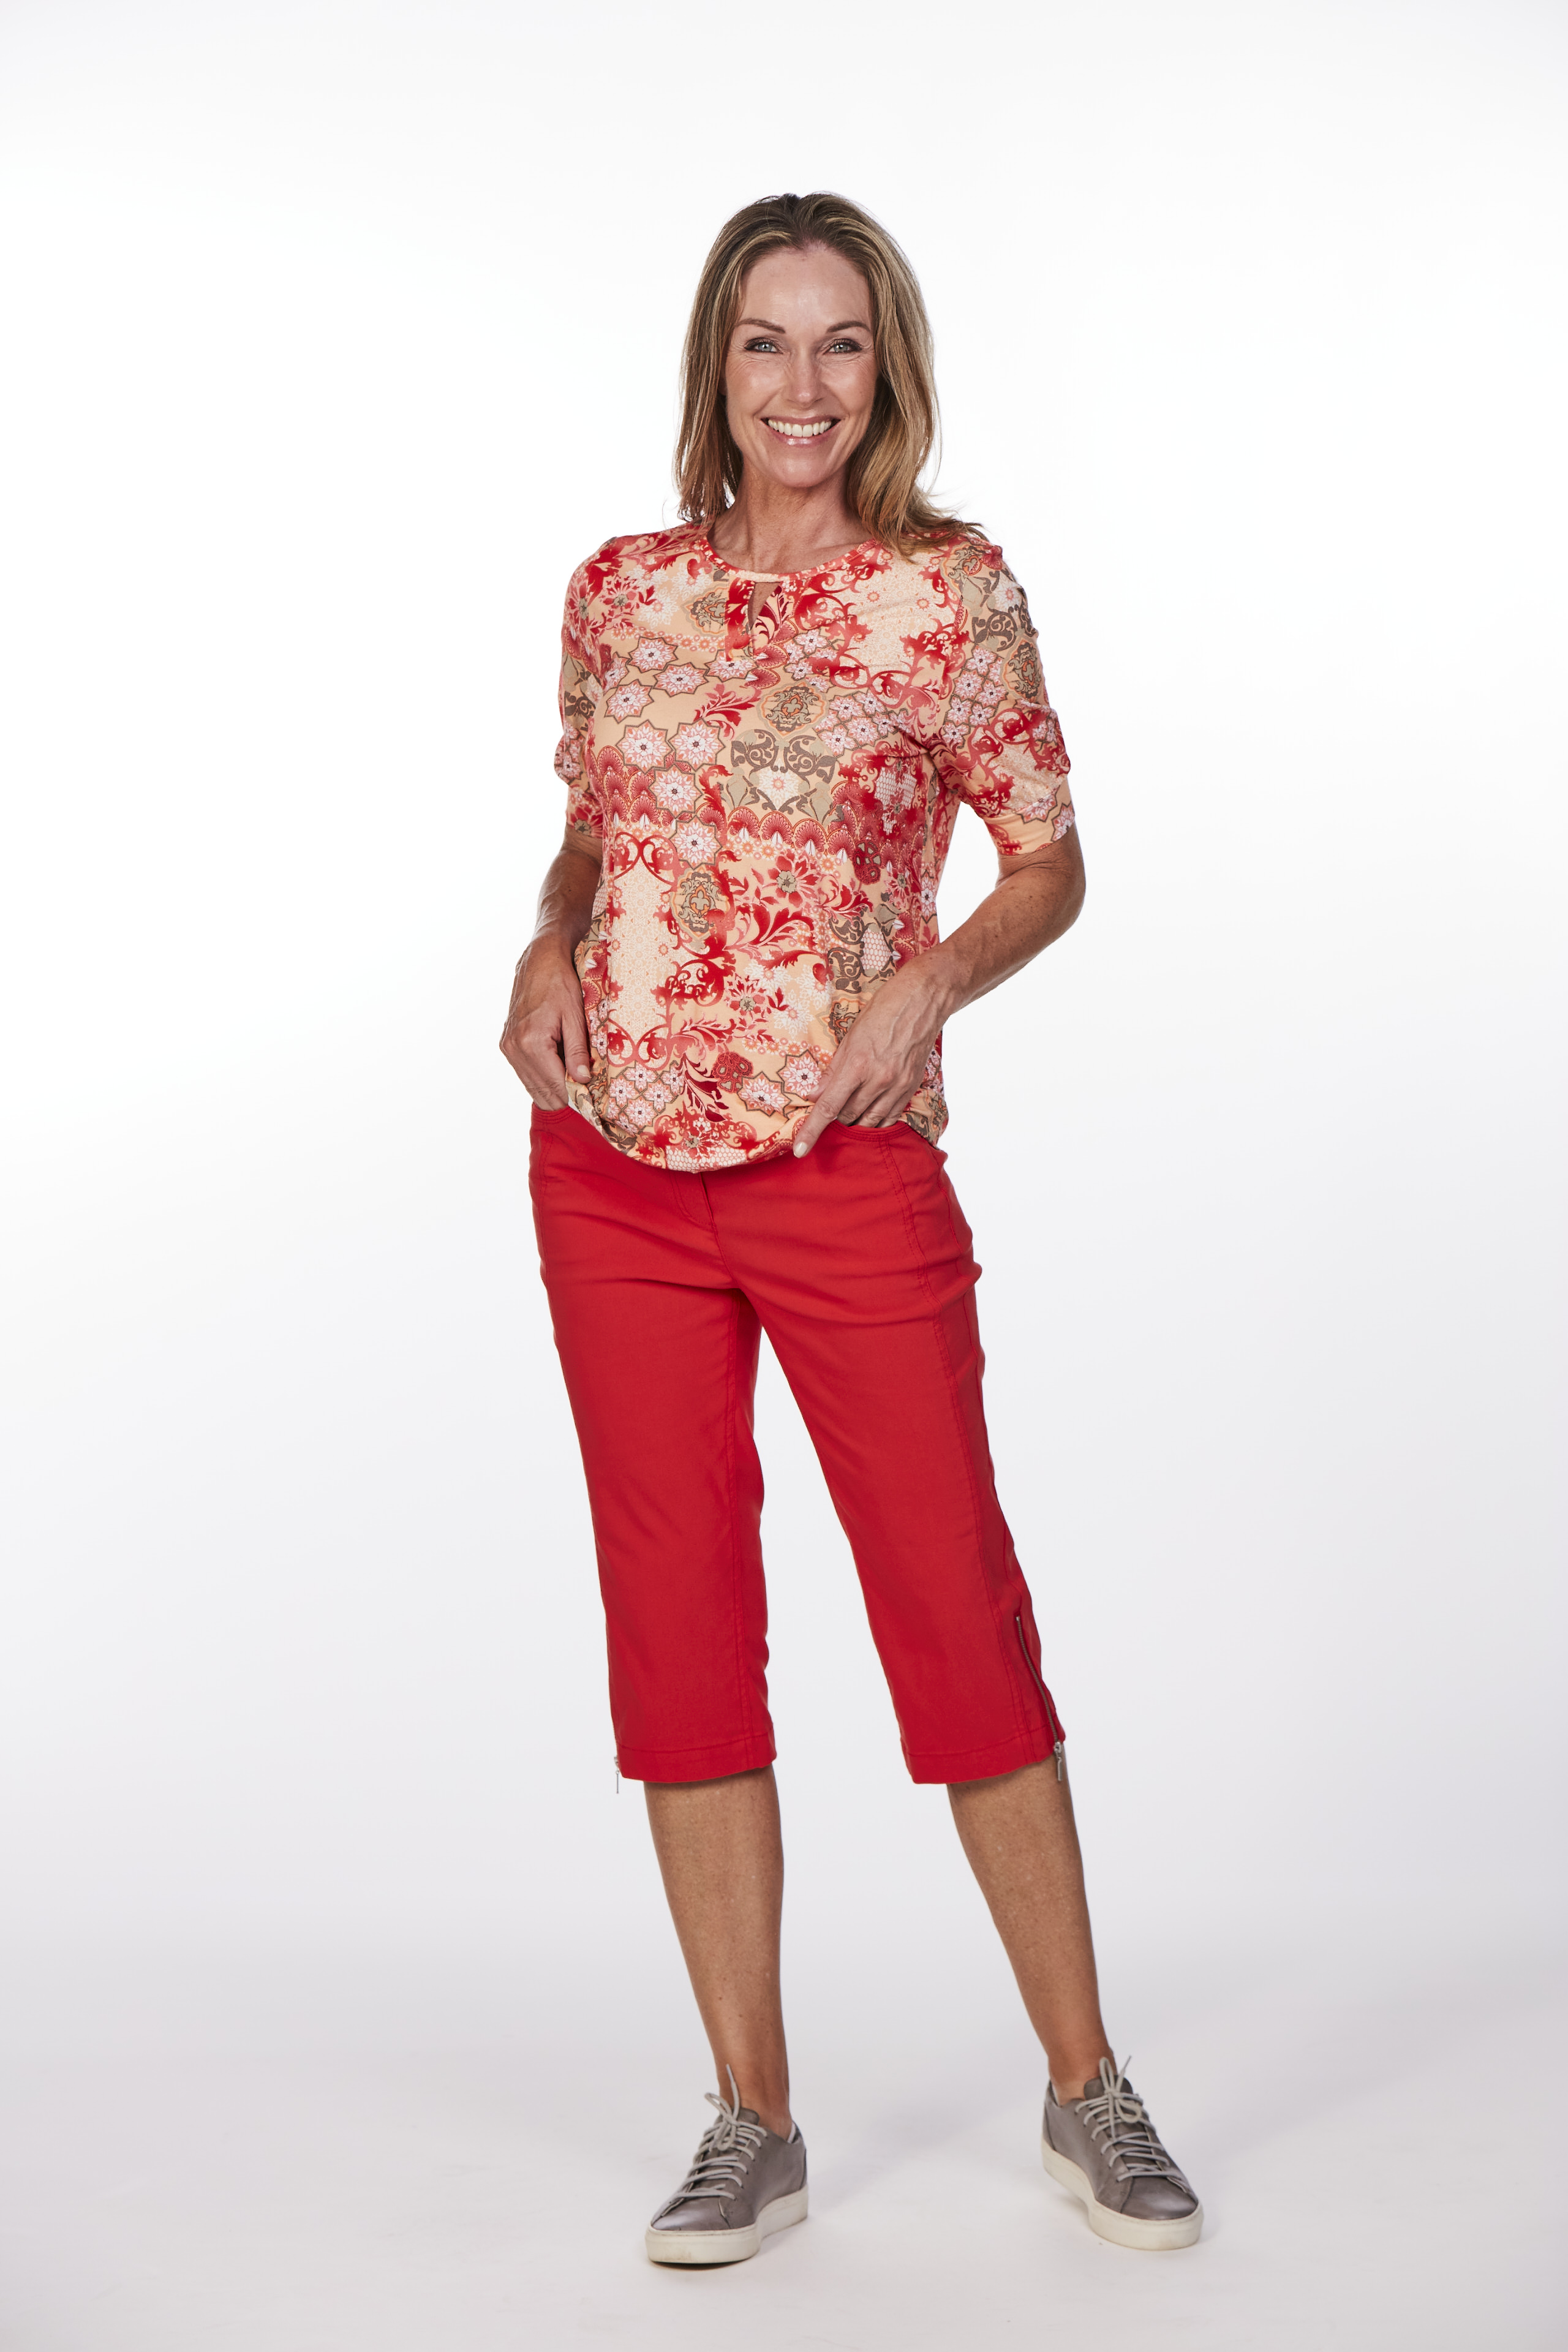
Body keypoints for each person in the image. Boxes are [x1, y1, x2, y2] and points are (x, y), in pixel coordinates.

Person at [500, 190, 1201, 2263]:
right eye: (763, 343)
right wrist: (543, 943)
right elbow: (596, 830)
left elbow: (1051, 860)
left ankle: (1087, 2084)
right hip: (612, 1170)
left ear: (885, 366)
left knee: (952, 1605)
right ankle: (753, 2115)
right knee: (678, 1624)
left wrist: (933, 984)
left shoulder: (948, 596)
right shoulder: (622, 590)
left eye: (838, 344)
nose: (800, 386)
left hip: (842, 1162)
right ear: (714, 370)